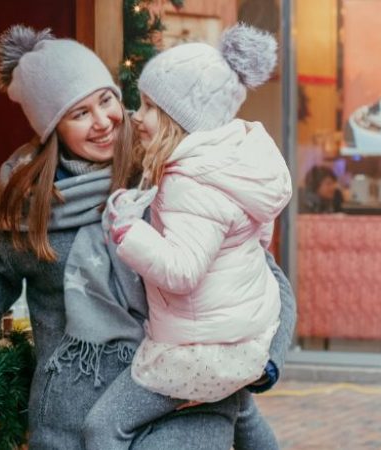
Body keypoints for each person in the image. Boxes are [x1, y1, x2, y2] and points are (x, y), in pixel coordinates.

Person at [0, 25, 295, 449]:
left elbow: (265, 280)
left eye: (107, 101)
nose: (103, 123)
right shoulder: (25, 207)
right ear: (52, 127)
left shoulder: (169, 172)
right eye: (79, 114)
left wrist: (257, 366)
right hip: (71, 428)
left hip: (184, 415)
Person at [86, 24, 291, 450]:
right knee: (240, 405)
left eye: (148, 106)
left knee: (103, 426)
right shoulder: (235, 163)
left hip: (197, 351)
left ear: (180, 120)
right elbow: (258, 243)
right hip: (244, 337)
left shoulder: (189, 182)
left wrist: (128, 231)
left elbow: (181, 271)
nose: (134, 116)